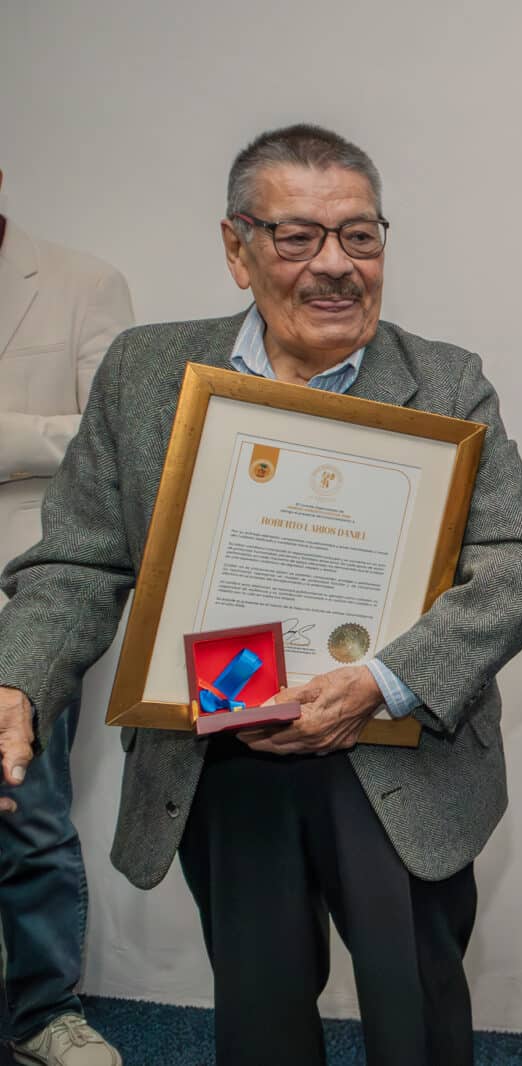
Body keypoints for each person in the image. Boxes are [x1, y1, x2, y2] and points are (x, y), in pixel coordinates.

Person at [0, 124, 522, 1066]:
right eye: (297, 237)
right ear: (237, 249)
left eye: (359, 236)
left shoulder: (445, 380)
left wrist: (382, 680)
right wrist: (17, 681)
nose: (335, 265)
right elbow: (78, 562)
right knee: (259, 1017)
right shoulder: (145, 373)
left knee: (416, 1017)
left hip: (396, 750)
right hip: (222, 749)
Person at [0, 167, 131, 1066]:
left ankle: (43, 1013)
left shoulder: (85, 282)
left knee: (29, 814)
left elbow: (109, 438)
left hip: (30, 591)